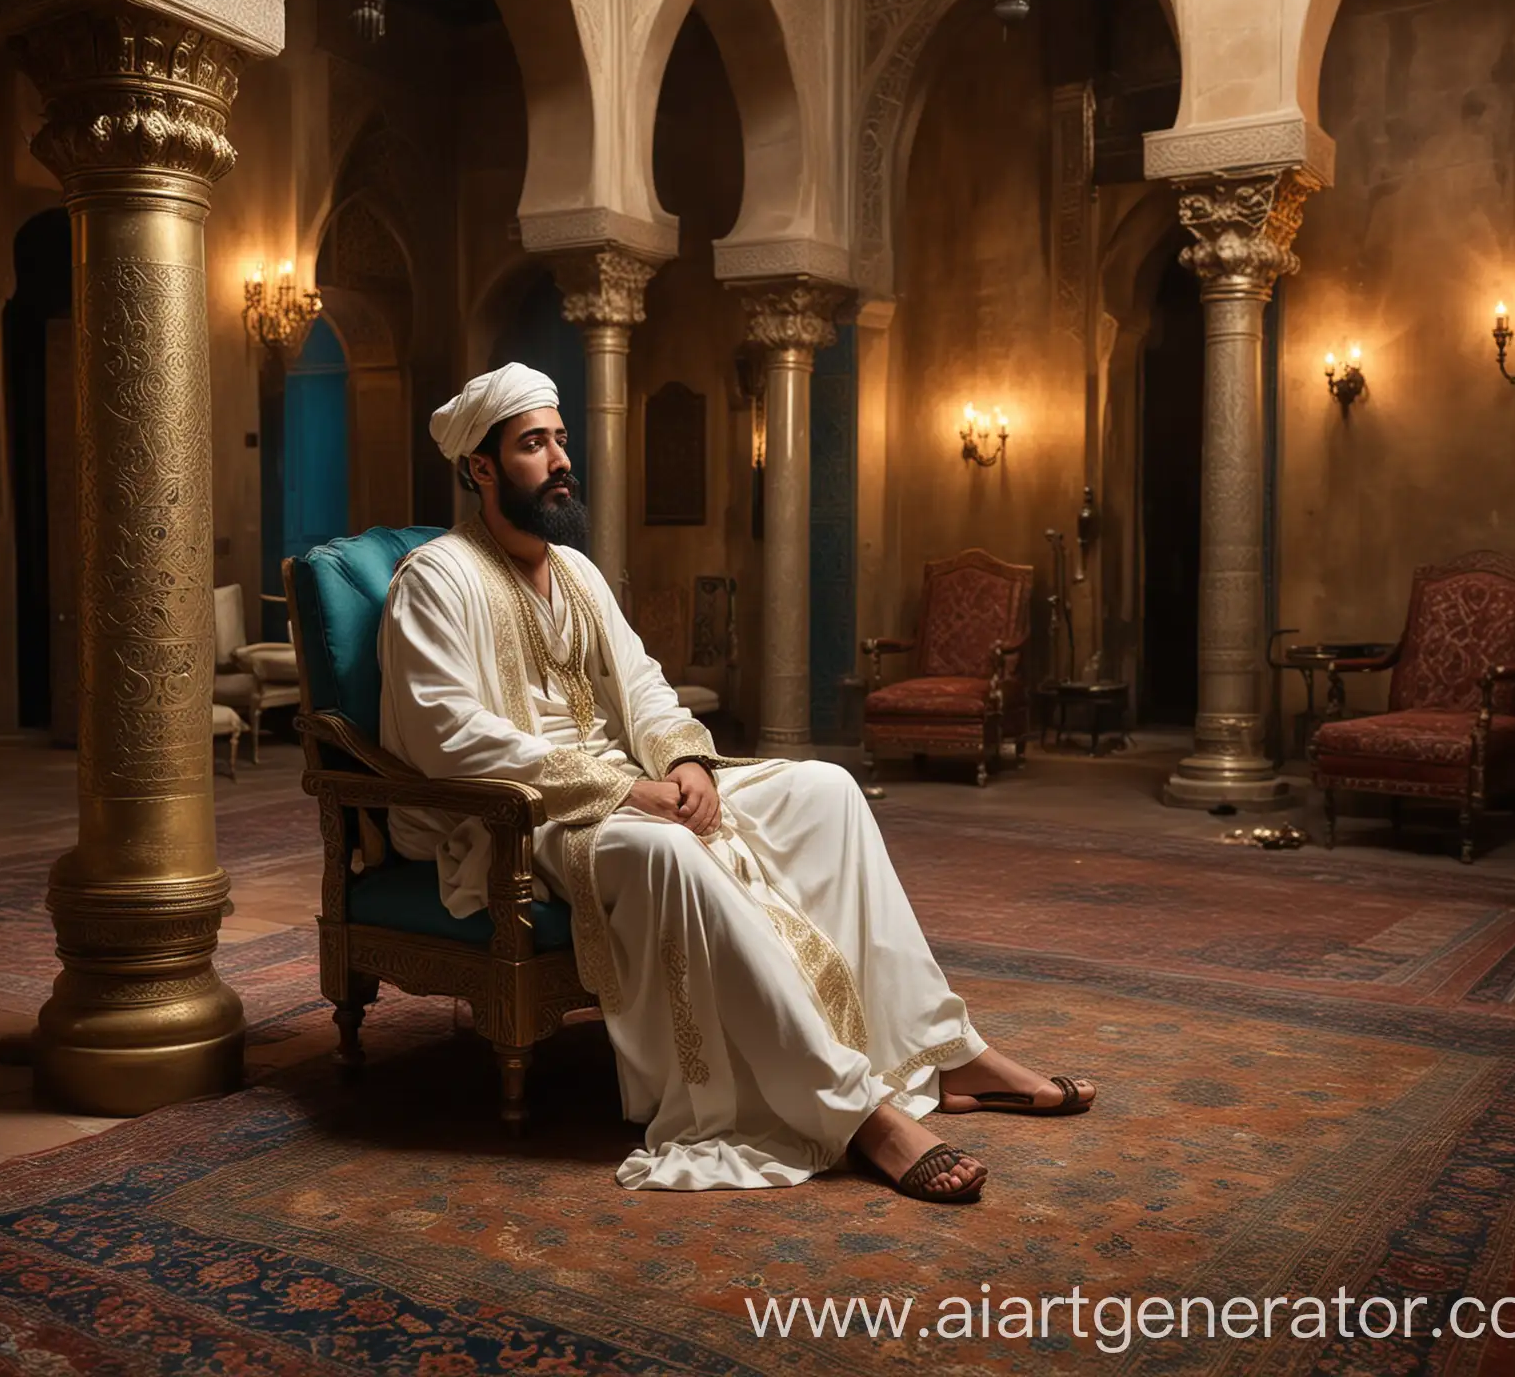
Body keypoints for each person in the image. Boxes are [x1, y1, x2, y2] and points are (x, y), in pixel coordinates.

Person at [377, 363, 1096, 1202]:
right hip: (525, 820)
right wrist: (615, 790)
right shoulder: (436, 578)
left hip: (627, 779)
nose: (561, 459)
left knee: (826, 792)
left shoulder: (575, 573)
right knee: (669, 855)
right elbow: (450, 736)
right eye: (534, 444)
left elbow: (643, 685)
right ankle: (858, 1113)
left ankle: (943, 1051)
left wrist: (682, 761)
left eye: (561, 439)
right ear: (482, 467)